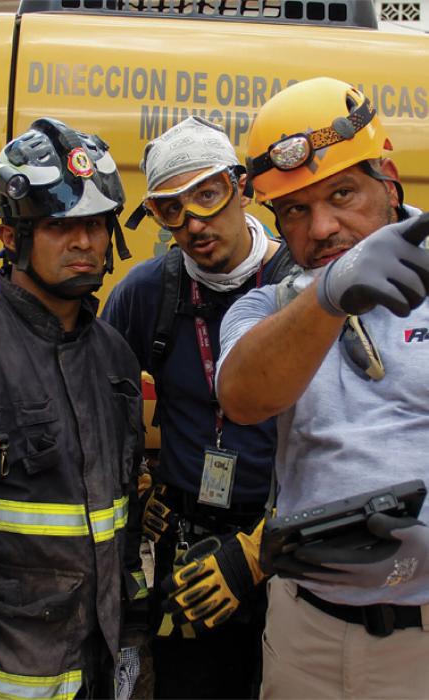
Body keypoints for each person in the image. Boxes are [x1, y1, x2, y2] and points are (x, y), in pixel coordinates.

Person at [0, 117, 148, 700]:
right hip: (4, 674)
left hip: (102, 666)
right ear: (11, 237)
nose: (85, 242)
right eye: (59, 225)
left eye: (96, 224)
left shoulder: (116, 358)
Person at [216, 77, 429, 698]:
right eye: (296, 211)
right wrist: (331, 295)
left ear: (388, 181)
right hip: (308, 629)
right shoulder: (266, 309)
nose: (325, 226)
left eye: (343, 193)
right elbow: (243, 397)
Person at [102, 115, 293, 699]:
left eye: (208, 195)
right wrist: (136, 478)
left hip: (287, 547)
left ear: (242, 186)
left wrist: (263, 550)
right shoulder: (146, 294)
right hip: (189, 550)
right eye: (170, 210)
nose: (194, 224)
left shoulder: (302, 289)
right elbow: (96, 401)